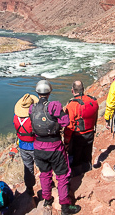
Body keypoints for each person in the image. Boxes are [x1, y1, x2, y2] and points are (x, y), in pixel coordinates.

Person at [29, 80, 81, 215]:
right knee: (62, 175)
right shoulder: (54, 106)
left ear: (37, 93)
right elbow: (65, 121)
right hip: (55, 146)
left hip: (38, 147)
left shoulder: (32, 108)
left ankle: (47, 199)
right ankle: (65, 206)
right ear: (49, 92)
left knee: (45, 174)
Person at [64, 80, 99, 176]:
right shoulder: (93, 100)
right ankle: (88, 170)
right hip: (90, 132)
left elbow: (69, 126)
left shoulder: (71, 105)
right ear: (83, 89)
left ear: (72, 91)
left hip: (77, 135)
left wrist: (66, 141)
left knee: (75, 157)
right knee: (87, 154)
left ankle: (76, 175)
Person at [13, 93, 39, 196]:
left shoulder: (16, 118)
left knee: (28, 168)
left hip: (23, 147)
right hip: (35, 146)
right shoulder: (33, 119)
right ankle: (48, 185)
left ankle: (29, 188)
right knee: (42, 166)